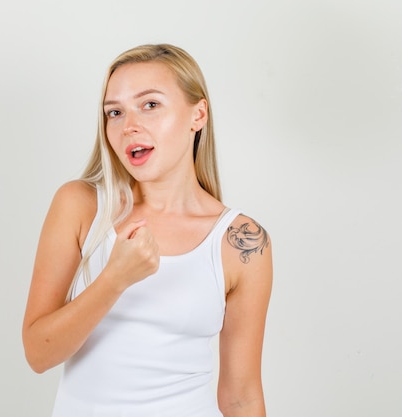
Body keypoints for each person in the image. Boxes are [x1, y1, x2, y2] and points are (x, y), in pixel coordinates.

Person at [22, 43, 272, 417]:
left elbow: (241, 396)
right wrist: (114, 279)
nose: (129, 126)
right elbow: (38, 354)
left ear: (198, 114)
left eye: (150, 105)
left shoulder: (241, 243)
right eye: (115, 112)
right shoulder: (81, 206)